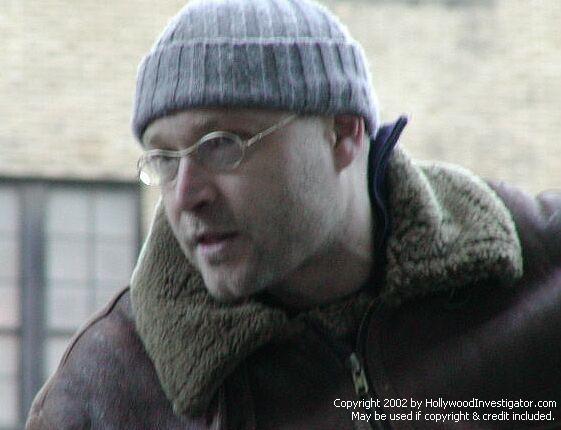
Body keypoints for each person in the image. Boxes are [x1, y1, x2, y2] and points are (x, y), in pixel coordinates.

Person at [26, 0, 560, 429]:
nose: (186, 196)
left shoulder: (542, 281)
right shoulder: (105, 393)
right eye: (165, 159)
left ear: (343, 133)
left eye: (222, 144)